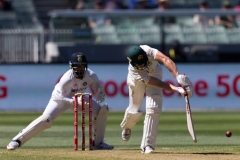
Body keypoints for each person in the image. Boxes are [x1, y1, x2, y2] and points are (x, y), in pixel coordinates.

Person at [7, 52, 114, 150]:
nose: (80, 69)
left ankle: (98, 143)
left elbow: (98, 91)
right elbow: (62, 96)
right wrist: (75, 101)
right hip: (60, 99)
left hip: (79, 98)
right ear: (71, 66)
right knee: (46, 120)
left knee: (100, 112)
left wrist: (99, 97)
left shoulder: (91, 76)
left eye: (82, 66)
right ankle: (17, 140)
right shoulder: (66, 79)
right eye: (77, 66)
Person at [120, 45, 193, 154]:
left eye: (144, 61)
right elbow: (157, 83)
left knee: (154, 107)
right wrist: (176, 89)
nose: (143, 65)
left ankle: (147, 145)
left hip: (155, 71)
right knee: (135, 108)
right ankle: (127, 126)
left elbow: (165, 59)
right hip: (137, 79)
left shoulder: (148, 51)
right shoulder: (135, 71)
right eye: (139, 64)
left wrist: (178, 77)